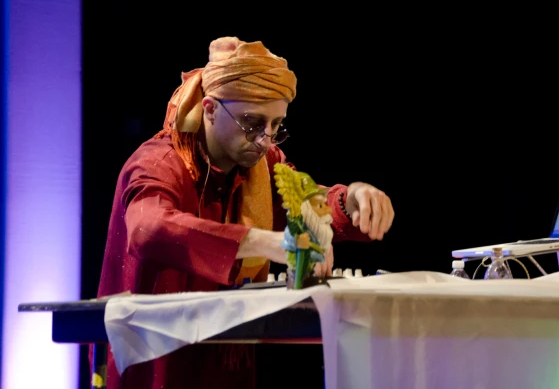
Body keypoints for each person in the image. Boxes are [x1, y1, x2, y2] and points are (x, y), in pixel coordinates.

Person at [94, 36, 395, 388]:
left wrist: (351, 200)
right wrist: (264, 243)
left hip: (224, 356)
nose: (265, 139)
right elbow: (149, 229)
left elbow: (304, 201)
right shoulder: (160, 163)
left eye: (275, 125)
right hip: (154, 359)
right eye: (251, 123)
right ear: (209, 109)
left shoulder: (262, 164)